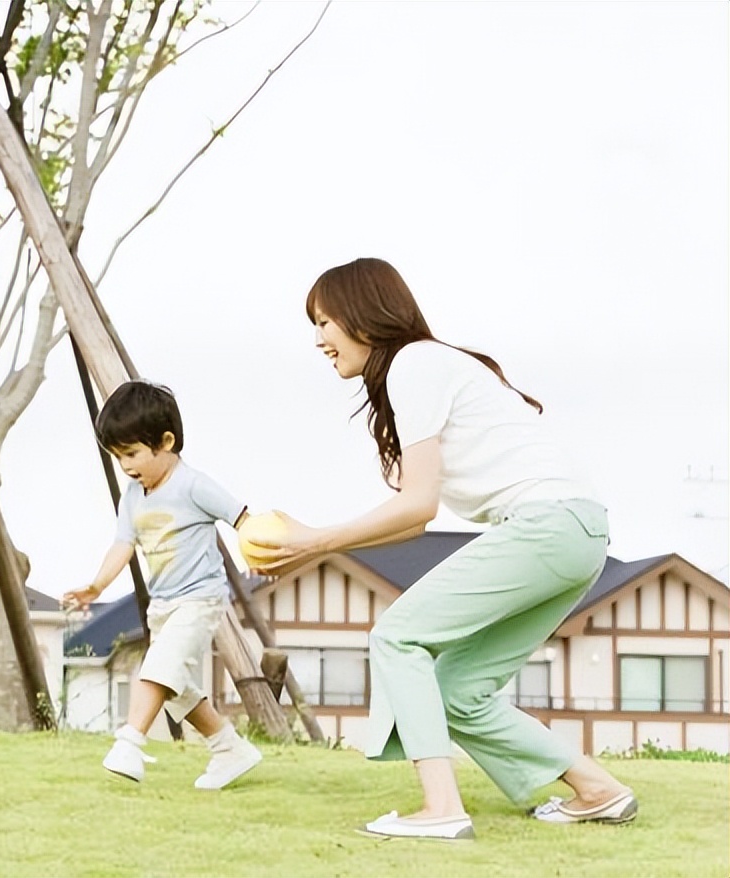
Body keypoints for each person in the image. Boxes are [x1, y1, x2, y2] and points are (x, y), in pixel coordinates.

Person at [242, 257, 635, 840]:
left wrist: (315, 541)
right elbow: (410, 520)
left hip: (548, 525)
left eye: (324, 321)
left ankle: (442, 810)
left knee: (397, 636)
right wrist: (314, 543)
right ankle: (598, 789)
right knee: (458, 692)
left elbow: (418, 506)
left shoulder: (413, 363)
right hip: (576, 532)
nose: (319, 338)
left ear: (363, 315)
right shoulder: (423, 368)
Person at [63, 381, 262, 790]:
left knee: (159, 668)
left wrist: (260, 553)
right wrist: (96, 586)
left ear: (166, 442)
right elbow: (123, 544)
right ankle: (230, 749)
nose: (125, 465)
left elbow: (243, 519)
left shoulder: (193, 485)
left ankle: (130, 742)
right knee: (175, 687)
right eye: (117, 456)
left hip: (200, 599)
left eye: (131, 453)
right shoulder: (134, 496)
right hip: (163, 604)